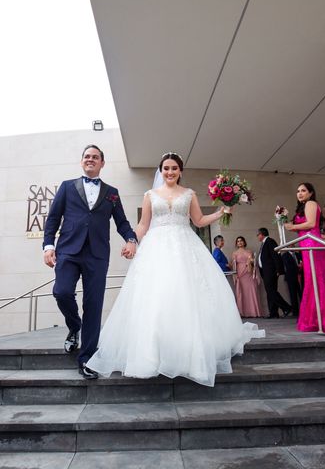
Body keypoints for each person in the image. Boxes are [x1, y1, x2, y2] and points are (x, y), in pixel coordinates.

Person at [86, 152, 265, 387]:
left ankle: (189, 351)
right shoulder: (150, 195)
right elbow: (143, 224)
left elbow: (198, 221)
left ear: (180, 171)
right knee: (156, 297)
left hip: (185, 245)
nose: (169, 172)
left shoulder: (188, 194)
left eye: (174, 168)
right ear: (160, 171)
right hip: (155, 248)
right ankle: (152, 353)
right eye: (166, 168)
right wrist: (132, 241)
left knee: (186, 295)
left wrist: (222, 211)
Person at [43, 144, 138, 379]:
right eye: (87, 156)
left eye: (95, 157)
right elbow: (53, 218)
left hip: (97, 254)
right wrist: (48, 246)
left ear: (102, 163)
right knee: (62, 292)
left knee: (94, 306)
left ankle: (87, 359)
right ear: (81, 161)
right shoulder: (67, 187)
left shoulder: (112, 192)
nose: (91, 160)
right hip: (68, 251)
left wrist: (131, 239)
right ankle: (74, 326)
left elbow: (122, 222)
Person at [284, 183, 325, 333]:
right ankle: (316, 318)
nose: (300, 193)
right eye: (298, 191)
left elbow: (311, 223)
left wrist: (292, 227)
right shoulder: (304, 205)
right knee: (312, 280)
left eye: (303, 191)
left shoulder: (311, 203)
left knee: (319, 280)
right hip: (306, 245)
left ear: (311, 193)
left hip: (313, 243)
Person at [256, 228, 292, 318]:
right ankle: (273, 313)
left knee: (271, 291)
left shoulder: (270, 241)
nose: (257, 237)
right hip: (265, 271)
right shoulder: (264, 243)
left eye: (258, 235)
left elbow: (276, 256)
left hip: (271, 271)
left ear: (262, 234)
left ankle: (287, 307)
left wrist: (278, 270)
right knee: (270, 292)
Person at [232, 236, 263, 318]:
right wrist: (235, 275)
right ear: (236, 243)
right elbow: (233, 265)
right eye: (238, 241)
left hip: (249, 273)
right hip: (240, 274)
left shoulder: (249, 251)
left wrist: (251, 261)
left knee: (252, 291)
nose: (240, 242)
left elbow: (253, 262)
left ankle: (254, 312)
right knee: (241, 293)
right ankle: (243, 313)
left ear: (244, 242)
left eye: (241, 241)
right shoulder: (234, 253)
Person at [281, 250, 302, 317]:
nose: (292, 246)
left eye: (293, 245)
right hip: (291, 277)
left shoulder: (298, 254)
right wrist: (298, 267)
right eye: (290, 245)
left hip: (300, 276)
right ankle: (295, 312)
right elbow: (288, 266)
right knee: (293, 295)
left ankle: (303, 310)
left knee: (301, 294)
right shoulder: (285, 255)